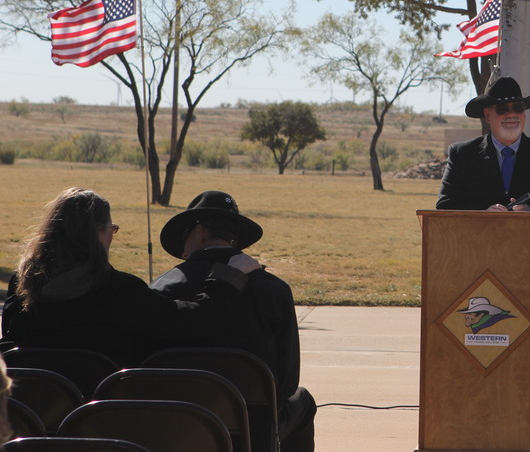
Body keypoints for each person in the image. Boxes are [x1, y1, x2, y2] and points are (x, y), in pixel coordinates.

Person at [1, 187, 259, 367]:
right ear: (99, 233)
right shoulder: (118, 290)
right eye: (112, 228)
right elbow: (192, 322)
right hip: (100, 419)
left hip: (33, 420)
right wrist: (228, 277)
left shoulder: (22, 285)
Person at [150, 190, 316, 452]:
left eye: (185, 237)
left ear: (201, 232)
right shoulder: (274, 290)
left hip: (179, 426)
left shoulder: (161, 289)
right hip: (254, 431)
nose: (182, 250)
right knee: (303, 401)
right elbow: (286, 382)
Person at [436, 76, 530, 296]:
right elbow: (445, 205)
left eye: (518, 107)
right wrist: (483, 213)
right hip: (476, 261)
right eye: (502, 109)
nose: (511, 114)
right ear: (487, 115)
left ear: (525, 113)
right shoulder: (462, 154)